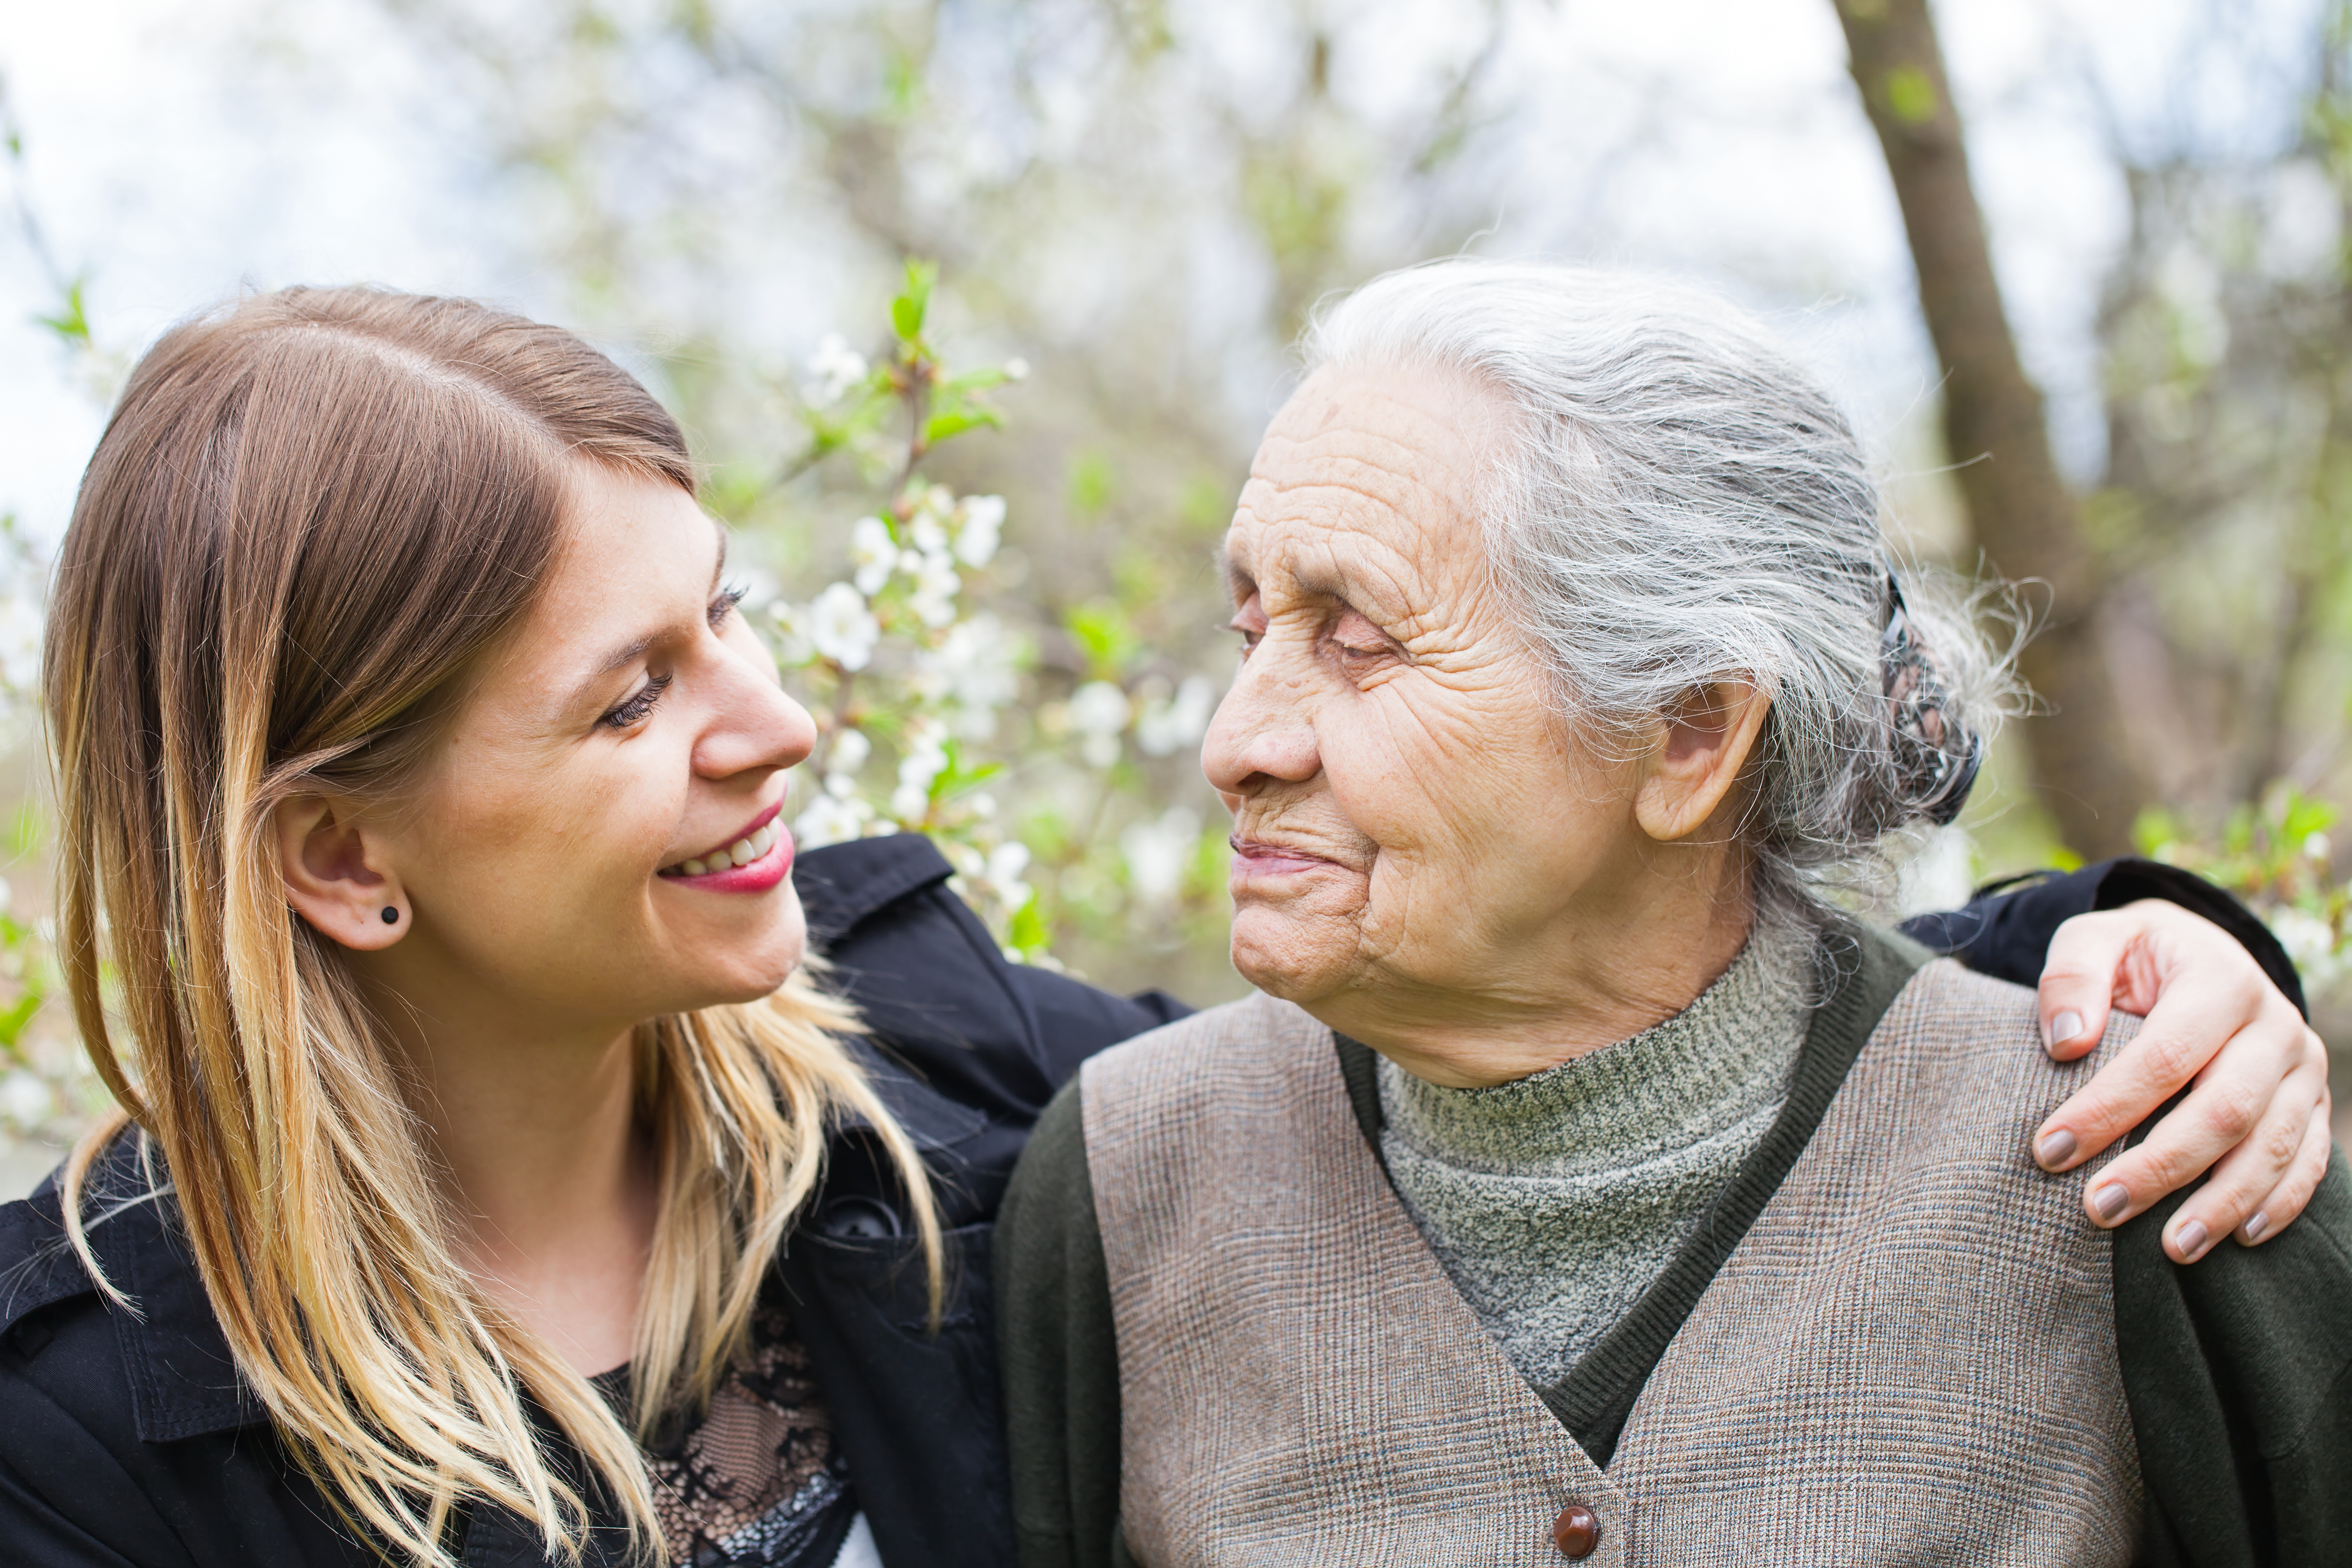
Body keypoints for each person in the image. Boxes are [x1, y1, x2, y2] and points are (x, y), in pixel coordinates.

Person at [0, 285, 2326, 1568]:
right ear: (337, 858)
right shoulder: (90, 1440)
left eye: (730, 620)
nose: (785, 723)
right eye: (633, 696)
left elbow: (1627, 1016)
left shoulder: (935, 1071)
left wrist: (2152, 948)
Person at [994, 262, 2352, 1568]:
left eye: (1358, 642)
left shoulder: (2154, 1152)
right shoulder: (1122, 1184)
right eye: (1252, 633)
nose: (1239, 740)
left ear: (1691, 732)